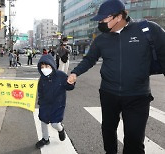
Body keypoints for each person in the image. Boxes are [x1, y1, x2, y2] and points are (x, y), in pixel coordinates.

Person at [67, 0, 165, 154]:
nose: (100, 23)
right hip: (109, 93)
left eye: (103, 19)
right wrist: (75, 73)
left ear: (118, 17)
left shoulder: (148, 30)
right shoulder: (101, 39)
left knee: (134, 139)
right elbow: (89, 59)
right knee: (108, 130)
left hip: (138, 96)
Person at [36, 54, 75, 149]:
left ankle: (60, 129)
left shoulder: (60, 75)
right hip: (45, 104)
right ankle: (45, 139)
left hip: (58, 104)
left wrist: (71, 83)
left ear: (52, 65)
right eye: (42, 67)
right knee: (43, 121)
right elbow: (40, 91)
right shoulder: (42, 79)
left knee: (55, 123)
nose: (44, 69)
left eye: (47, 66)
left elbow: (69, 86)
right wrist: (40, 101)